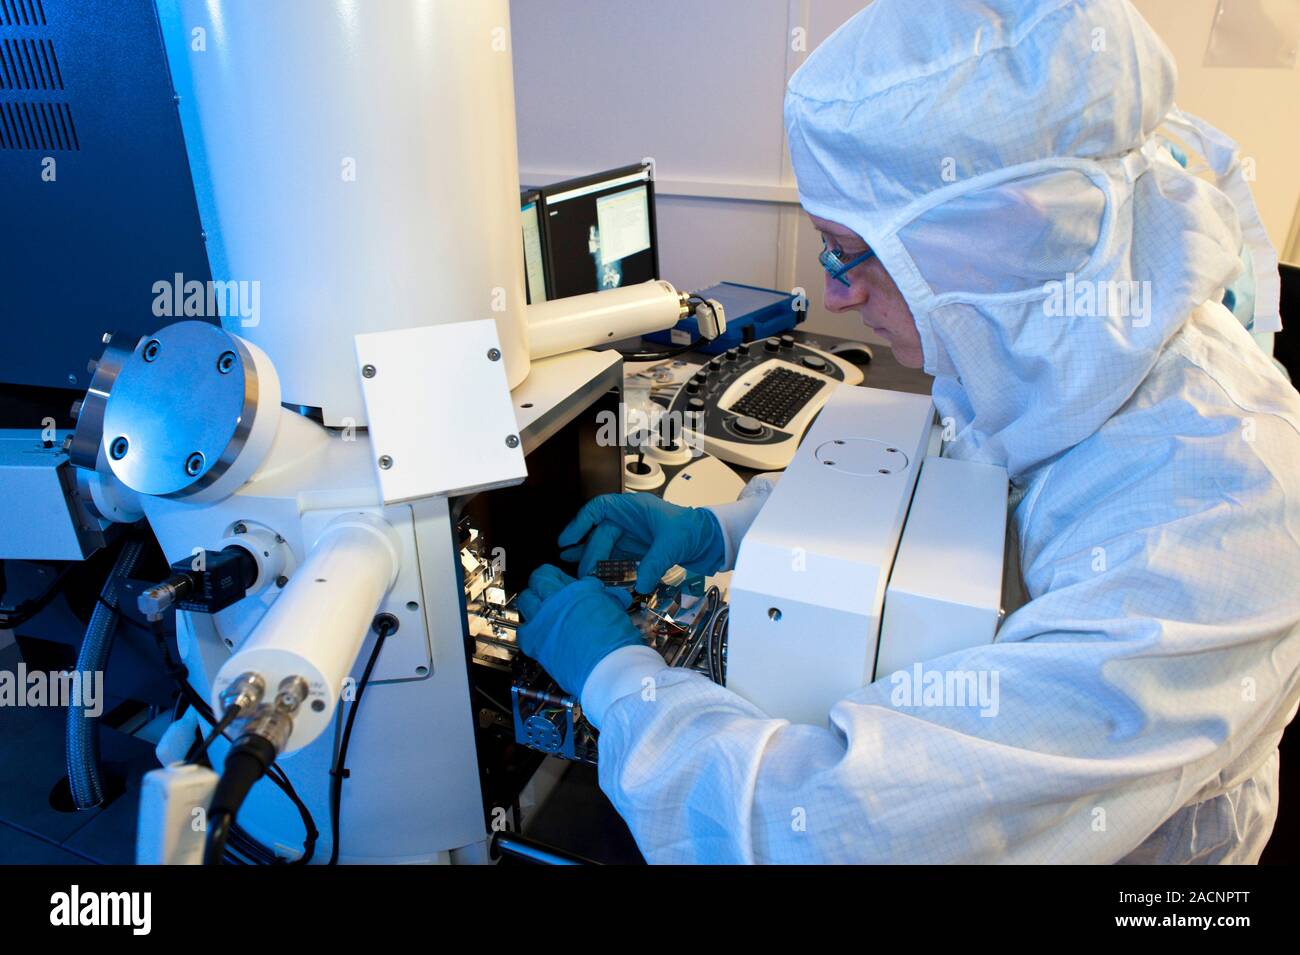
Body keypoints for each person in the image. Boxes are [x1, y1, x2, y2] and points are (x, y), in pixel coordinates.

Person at [516, 0, 1300, 863]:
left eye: (849, 250)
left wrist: (621, 683)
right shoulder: (1056, 349)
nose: (837, 294)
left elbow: (827, 830)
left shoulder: (1219, 501)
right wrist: (727, 526)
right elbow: (944, 473)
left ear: (998, 238)